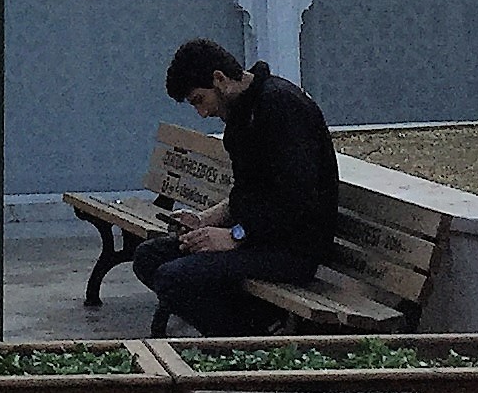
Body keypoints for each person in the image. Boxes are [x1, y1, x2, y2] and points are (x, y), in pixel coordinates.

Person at [128, 38, 339, 337]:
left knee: (174, 278)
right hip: (260, 239)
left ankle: (248, 342)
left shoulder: (281, 106)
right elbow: (248, 193)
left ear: (219, 79)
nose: (201, 114)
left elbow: (296, 200)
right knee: (150, 256)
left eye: (200, 100)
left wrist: (236, 236)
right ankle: (257, 320)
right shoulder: (243, 115)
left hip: (293, 249)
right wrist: (205, 220)